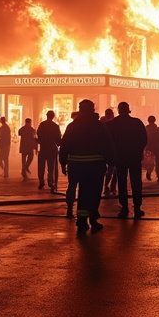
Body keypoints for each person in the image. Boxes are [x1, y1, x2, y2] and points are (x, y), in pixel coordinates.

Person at [59, 99, 116, 234]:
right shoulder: (98, 126)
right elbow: (107, 144)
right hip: (94, 167)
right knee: (94, 193)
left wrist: (63, 162)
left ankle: (82, 221)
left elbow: (65, 145)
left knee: (82, 192)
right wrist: (111, 163)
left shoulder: (72, 126)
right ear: (93, 109)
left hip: (76, 166)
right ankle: (92, 219)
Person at [105, 101, 149, 218]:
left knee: (122, 182)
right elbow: (144, 139)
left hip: (120, 157)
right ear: (129, 109)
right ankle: (137, 208)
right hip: (134, 157)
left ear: (118, 110)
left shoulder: (112, 124)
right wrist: (139, 151)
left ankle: (124, 208)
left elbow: (108, 142)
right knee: (136, 182)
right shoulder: (137, 122)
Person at [36, 110, 62, 192]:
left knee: (41, 166)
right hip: (52, 148)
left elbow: (38, 135)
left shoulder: (42, 125)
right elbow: (58, 139)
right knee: (51, 167)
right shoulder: (55, 126)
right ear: (53, 116)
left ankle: (41, 182)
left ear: (46, 116)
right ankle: (51, 183)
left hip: (43, 148)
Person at [101, 108, 117, 195]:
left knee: (111, 169)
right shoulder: (113, 123)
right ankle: (110, 187)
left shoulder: (103, 122)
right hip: (113, 149)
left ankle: (108, 186)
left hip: (106, 149)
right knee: (113, 169)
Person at [143, 115, 159, 181]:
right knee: (154, 160)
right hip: (155, 146)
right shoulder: (157, 128)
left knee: (148, 159)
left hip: (148, 146)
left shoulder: (146, 128)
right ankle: (150, 171)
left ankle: (148, 170)